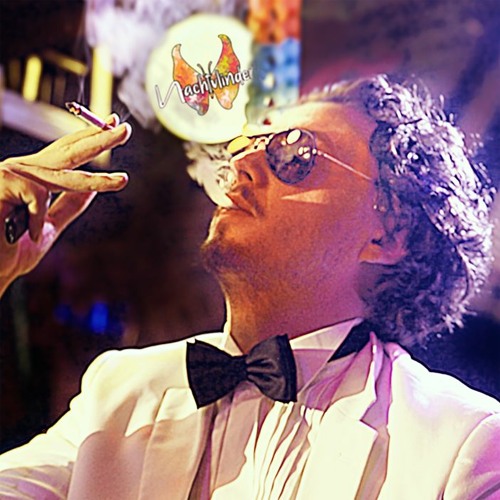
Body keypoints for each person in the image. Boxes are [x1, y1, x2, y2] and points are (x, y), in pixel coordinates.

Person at [0, 75, 499, 499]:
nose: (241, 166)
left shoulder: (462, 445)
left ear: (388, 234)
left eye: (295, 154)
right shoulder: (120, 392)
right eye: (247, 147)